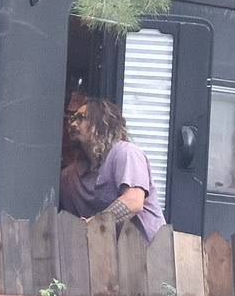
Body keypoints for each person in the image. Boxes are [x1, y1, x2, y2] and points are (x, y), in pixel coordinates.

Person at [59, 98, 166, 243]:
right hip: (109, 253)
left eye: (81, 118)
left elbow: (134, 201)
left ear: (101, 123)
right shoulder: (70, 177)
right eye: (72, 119)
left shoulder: (126, 153)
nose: (72, 124)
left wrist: (95, 223)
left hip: (150, 250)